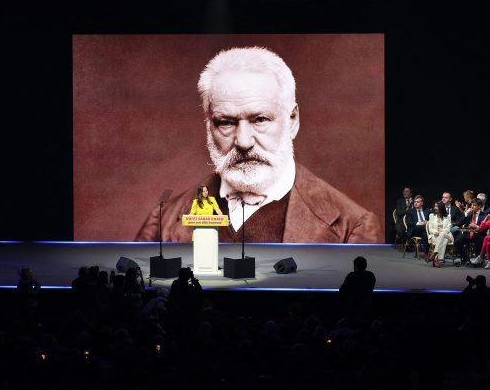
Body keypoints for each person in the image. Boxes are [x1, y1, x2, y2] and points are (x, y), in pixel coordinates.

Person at [134, 46, 380, 243]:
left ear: (292, 120)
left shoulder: (353, 227)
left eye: (260, 120)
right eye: (226, 122)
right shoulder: (163, 220)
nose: (243, 141)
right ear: (209, 126)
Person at [426, 202, 453, 267]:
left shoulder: (448, 216)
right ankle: (439, 260)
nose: (435, 208)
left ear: (441, 208)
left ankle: (434, 254)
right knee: (444, 240)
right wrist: (436, 232)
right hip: (435, 236)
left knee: (442, 234)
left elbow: (448, 229)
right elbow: (430, 229)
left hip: (447, 235)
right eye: (435, 206)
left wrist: (441, 232)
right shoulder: (431, 215)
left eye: (437, 207)